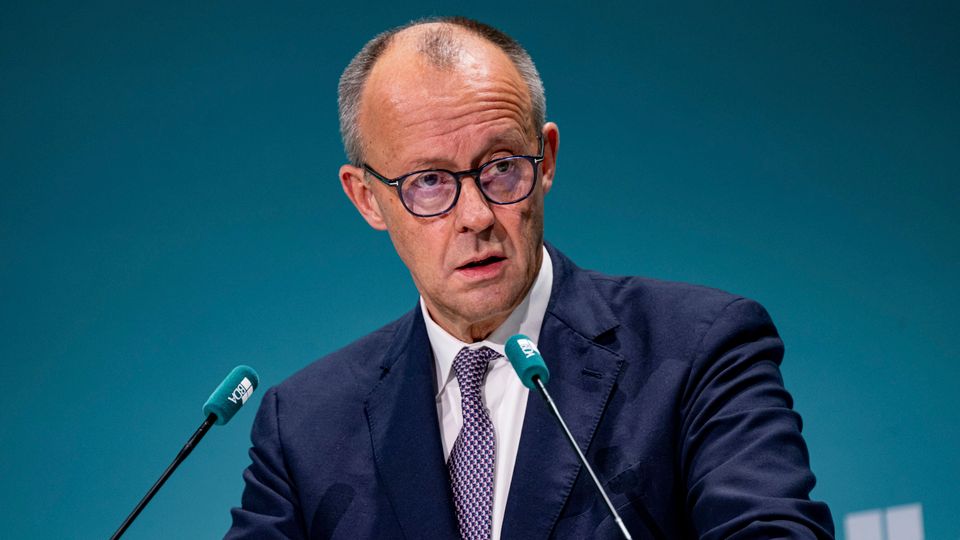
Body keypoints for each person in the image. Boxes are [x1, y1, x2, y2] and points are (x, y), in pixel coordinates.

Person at [227, 16, 834, 539]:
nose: (476, 216)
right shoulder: (303, 427)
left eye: (501, 167)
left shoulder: (697, 349)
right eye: (429, 181)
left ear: (546, 160)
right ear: (366, 198)